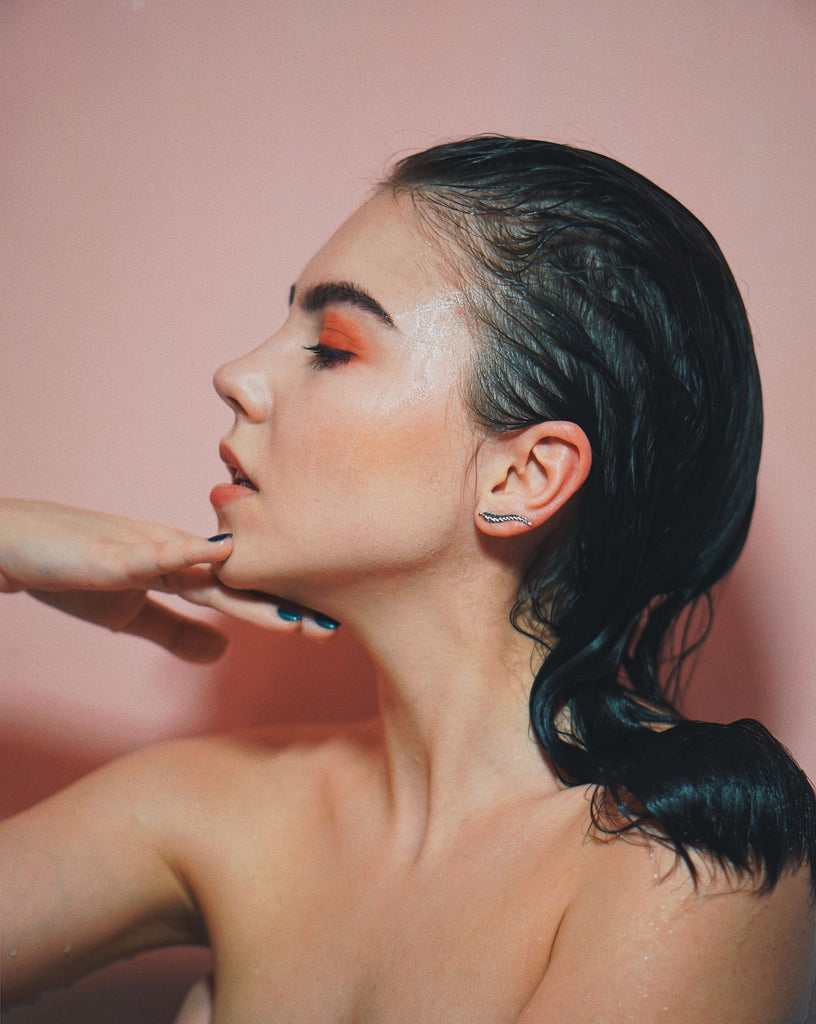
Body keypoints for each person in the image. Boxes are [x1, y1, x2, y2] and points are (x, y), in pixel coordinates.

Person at [1, 136, 815, 1023]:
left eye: (332, 347)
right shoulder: (216, 809)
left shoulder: (687, 859)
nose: (235, 376)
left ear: (522, 477)